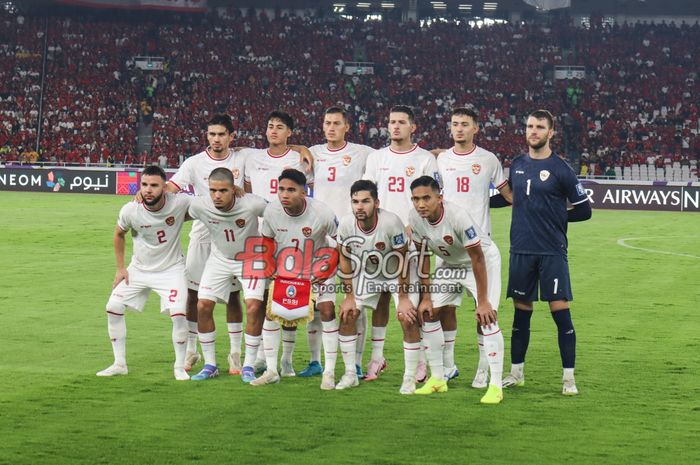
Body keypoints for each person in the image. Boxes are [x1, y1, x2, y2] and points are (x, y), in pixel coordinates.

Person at [503, 109, 591, 395]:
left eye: (540, 127)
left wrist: (557, 218)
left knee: (560, 312)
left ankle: (568, 379)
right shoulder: (516, 164)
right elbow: (508, 200)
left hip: (552, 251)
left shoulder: (561, 168)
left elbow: (584, 210)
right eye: (530, 126)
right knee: (521, 314)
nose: (534, 131)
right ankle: (516, 373)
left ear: (551, 132)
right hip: (521, 250)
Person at [435, 107, 512, 388]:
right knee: (441, 309)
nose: (459, 129)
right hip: (447, 249)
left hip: (478, 246)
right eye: (455, 124)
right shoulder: (441, 160)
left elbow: (508, 195)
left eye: (465, 124)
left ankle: (482, 368)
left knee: (486, 310)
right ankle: (448, 364)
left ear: (476, 128)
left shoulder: (489, 160)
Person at [167, 114, 249, 376]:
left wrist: (301, 148)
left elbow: (274, 152)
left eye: (221, 134)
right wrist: (152, 195)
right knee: (194, 293)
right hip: (203, 235)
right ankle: (192, 348)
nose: (216, 139)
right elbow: (172, 186)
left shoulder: (242, 158)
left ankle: (235, 353)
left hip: (234, 236)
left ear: (231, 136)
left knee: (234, 295)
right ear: (207, 135)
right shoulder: (194, 163)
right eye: (212, 134)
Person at [362, 105, 440, 382]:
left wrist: (414, 223)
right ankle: (376, 358)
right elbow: (367, 196)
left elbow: (432, 198)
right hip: (379, 241)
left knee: (410, 307)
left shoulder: (425, 159)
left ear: (412, 127)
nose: (395, 126)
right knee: (380, 300)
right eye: (392, 122)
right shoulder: (376, 158)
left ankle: (419, 362)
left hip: (412, 241)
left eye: (401, 122)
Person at [408, 176, 503, 403]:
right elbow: (423, 257)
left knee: (487, 318)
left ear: (440, 198)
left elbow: (477, 257)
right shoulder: (414, 218)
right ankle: (439, 378)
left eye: (426, 198)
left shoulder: (457, 216)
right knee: (428, 313)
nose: (421, 204)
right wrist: (426, 297)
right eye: (416, 199)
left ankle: (496, 386)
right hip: (450, 264)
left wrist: (482, 301)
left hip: (481, 262)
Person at [298, 106, 375, 378]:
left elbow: (392, 158)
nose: (331, 127)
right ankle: (315, 360)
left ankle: (355, 362)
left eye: (336, 123)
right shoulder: (313, 153)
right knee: (320, 301)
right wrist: (299, 146)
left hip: (353, 235)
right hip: (321, 236)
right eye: (327, 123)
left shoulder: (362, 153)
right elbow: (290, 153)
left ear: (347, 127)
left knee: (357, 302)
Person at [97, 165, 192, 381]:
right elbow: (118, 234)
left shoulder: (180, 203)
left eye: (154, 185)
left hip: (171, 269)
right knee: (113, 307)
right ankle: (119, 363)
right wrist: (121, 268)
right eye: (145, 185)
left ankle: (179, 367)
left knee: (178, 313)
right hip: (138, 269)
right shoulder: (130, 209)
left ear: (165, 187)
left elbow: (208, 205)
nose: (148, 190)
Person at [253, 169, 343, 389]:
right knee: (274, 315)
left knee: (327, 311)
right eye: (281, 189)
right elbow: (266, 240)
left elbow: (341, 243)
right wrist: (270, 265)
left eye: (291, 190)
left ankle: (329, 372)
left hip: (316, 269)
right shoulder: (272, 211)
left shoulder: (321, 212)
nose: (284, 194)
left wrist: (326, 269)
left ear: (304, 192)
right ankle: (273, 369)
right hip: (286, 270)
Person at [243, 110, 314, 377]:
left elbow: (308, 195)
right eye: (270, 126)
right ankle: (261, 356)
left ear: (289, 133)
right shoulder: (252, 158)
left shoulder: (300, 159)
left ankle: (286, 360)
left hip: (291, 239)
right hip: (258, 238)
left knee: (288, 300)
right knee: (259, 299)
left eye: (279, 127)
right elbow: (249, 195)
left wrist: (301, 148)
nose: (273, 131)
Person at [337, 180, 420, 393]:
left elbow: (402, 258)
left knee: (407, 317)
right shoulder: (346, 224)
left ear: (376, 203)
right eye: (355, 202)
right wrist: (349, 296)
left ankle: (410, 377)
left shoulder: (391, 222)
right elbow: (344, 258)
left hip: (399, 271)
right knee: (347, 314)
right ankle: (350, 374)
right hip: (370, 272)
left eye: (365, 201)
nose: (359, 206)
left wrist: (402, 299)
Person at [186, 168, 268, 382]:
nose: (217, 195)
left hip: (251, 258)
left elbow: (277, 216)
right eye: (213, 190)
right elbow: (173, 213)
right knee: (203, 305)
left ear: (234, 189)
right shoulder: (200, 205)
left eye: (223, 190)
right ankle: (210, 364)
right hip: (219, 259)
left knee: (253, 306)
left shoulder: (252, 203)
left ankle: (248, 365)